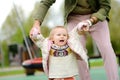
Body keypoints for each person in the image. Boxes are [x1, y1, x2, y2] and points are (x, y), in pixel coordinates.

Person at [30, 0, 119, 80]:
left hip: (96, 16)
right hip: (74, 17)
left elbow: (105, 6)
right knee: (76, 49)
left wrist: (90, 21)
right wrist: (36, 24)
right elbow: (46, 2)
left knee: (106, 48)